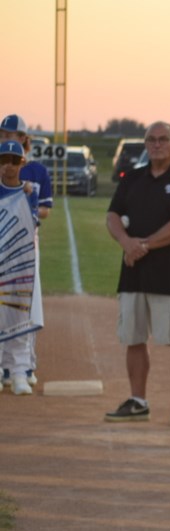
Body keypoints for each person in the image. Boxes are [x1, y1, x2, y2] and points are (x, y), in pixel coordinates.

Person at [103, 122, 170, 424]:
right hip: (134, 274)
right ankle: (138, 400)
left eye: (163, 140)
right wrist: (125, 242)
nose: (157, 145)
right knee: (133, 337)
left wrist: (142, 245)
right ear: (145, 144)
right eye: (151, 140)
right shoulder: (132, 178)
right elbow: (112, 215)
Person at [0, 114, 53, 390]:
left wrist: (29, 211)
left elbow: (44, 208)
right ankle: (5, 369)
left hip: (25, 246)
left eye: (12, 134)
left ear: (23, 138)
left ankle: (23, 366)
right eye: (3, 134)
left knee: (23, 304)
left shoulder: (35, 172)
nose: (7, 138)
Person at [0, 140, 40, 396]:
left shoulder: (29, 192)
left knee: (19, 318)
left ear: (21, 163)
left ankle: (19, 374)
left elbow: (32, 225)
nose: (8, 166)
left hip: (21, 265)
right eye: (3, 160)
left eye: (14, 161)